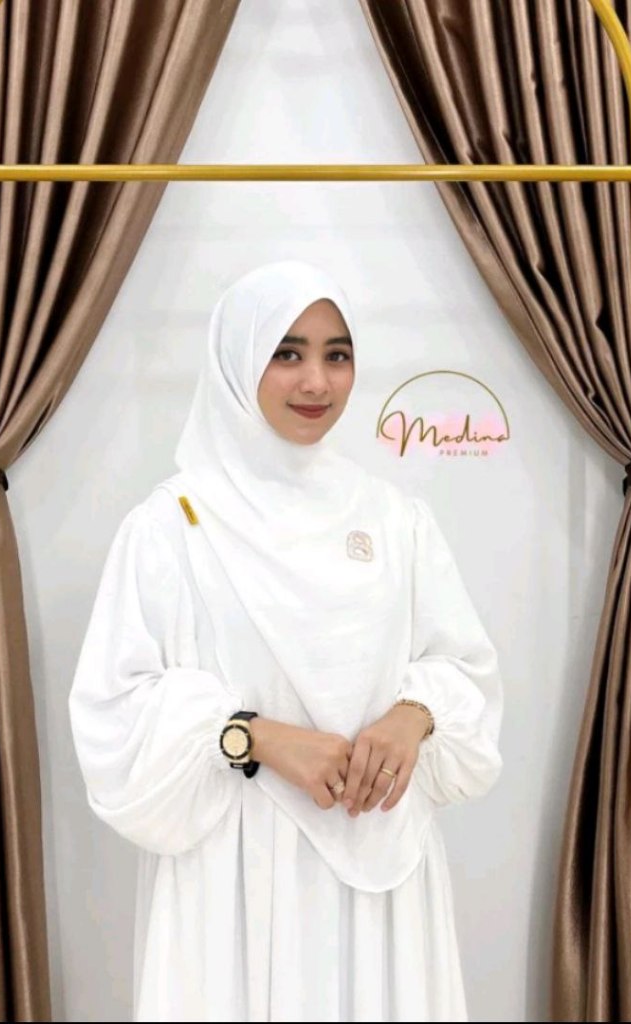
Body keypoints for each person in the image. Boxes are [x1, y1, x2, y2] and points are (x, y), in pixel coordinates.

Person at [68, 259, 504, 1022]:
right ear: (237, 361)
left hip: (380, 872)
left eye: (338, 354)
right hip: (231, 879)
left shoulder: (394, 520)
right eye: (286, 352)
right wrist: (255, 738)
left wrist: (414, 716)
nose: (316, 382)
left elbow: (465, 671)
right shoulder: (174, 525)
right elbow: (113, 716)